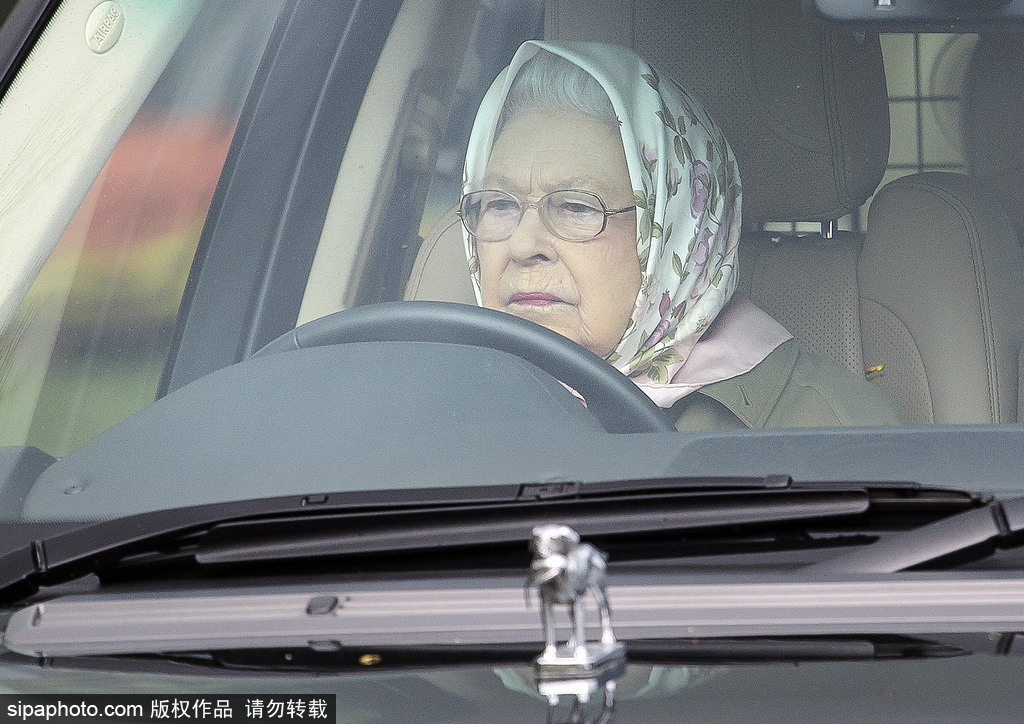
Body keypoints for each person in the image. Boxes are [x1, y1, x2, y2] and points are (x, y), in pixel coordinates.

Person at [458, 41, 907, 430]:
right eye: (499, 205)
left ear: (678, 233)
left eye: (576, 207)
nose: (521, 247)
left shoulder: (834, 430)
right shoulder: (433, 409)